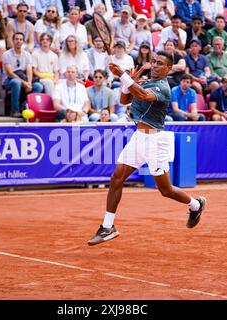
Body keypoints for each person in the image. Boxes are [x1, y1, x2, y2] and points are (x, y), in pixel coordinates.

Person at [87, 51, 207, 246]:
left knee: (165, 190)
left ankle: (195, 205)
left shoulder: (163, 88)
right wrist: (128, 83)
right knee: (116, 178)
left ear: (168, 69)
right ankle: (108, 227)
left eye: (160, 63)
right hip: (138, 138)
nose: (155, 65)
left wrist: (123, 76)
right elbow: (125, 100)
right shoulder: (145, 82)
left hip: (156, 142)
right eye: (153, 62)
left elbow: (142, 95)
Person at [2, 32, 44, 117]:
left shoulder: (27, 54)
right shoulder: (6, 54)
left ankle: (25, 105)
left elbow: (29, 70)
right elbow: (10, 73)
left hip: (24, 78)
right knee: (16, 82)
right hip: (10, 80)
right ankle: (15, 110)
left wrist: (29, 83)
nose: (18, 41)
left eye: (21, 39)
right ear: (13, 41)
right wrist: (24, 83)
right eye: (16, 39)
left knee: (38, 86)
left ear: (23, 42)